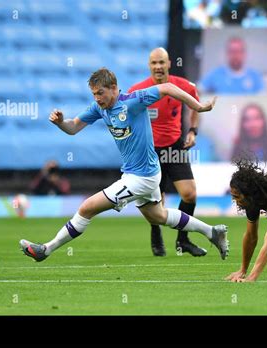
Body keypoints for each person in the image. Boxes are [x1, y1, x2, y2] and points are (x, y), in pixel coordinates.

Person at [19, 68, 229, 264]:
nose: (97, 98)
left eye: (100, 93)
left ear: (113, 88)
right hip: (141, 173)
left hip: (141, 177)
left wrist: (198, 107)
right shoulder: (99, 108)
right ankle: (212, 232)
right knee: (159, 216)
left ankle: (46, 249)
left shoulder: (133, 102)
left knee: (86, 207)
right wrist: (61, 123)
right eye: (94, 94)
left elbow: (167, 88)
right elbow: (73, 127)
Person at [129, 47, 207, 257]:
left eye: (162, 62)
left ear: (169, 63)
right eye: (154, 63)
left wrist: (193, 131)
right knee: (157, 201)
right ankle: (156, 233)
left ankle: (183, 241)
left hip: (175, 147)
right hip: (149, 151)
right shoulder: (138, 90)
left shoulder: (181, 86)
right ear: (149, 66)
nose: (158, 67)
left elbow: (196, 106)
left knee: (189, 194)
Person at [199, 37, 265, 94]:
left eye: (238, 51)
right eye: (232, 51)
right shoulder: (215, 74)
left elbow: (263, 101)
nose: (235, 55)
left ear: (244, 54)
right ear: (227, 54)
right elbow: (198, 91)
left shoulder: (255, 76)